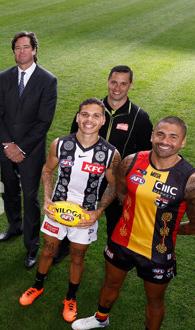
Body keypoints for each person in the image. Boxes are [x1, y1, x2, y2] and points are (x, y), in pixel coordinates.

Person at [72, 116, 195, 330]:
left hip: (158, 253)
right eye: (160, 134)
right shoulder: (131, 161)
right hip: (122, 241)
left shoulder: (192, 181)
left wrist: (165, 229)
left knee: (155, 300)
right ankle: (101, 318)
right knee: (110, 284)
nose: (165, 141)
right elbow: (122, 192)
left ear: (183, 141)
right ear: (151, 136)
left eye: (173, 137)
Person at [18, 98, 120, 322]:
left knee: (77, 258)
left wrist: (98, 212)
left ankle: (70, 297)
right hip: (56, 212)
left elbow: (113, 185)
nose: (89, 120)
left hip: (85, 217)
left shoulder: (111, 154)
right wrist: (46, 198)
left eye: (95, 116)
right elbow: (47, 170)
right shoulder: (60, 144)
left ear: (103, 120)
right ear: (77, 117)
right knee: (47, 251)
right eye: (84, 114)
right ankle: (37, 286)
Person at [55, 65, 153, 263]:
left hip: (116, 183)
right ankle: (64, 245)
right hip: (84, 177)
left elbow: (145, 155)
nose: (117, 87)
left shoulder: (139, 117)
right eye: (114, 82)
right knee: (72, 212)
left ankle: (113, 256)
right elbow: (73, 138)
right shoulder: (91, 110)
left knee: (115, 222)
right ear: (108, 82)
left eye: (123, 83)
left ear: (130, 85)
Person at [0, 31, 58, 270]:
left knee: (30, 198)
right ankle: (14, 226)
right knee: (9, 191)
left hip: (30, 151)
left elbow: (44, 121)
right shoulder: (4, 76)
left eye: (25, 47)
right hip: (6, 148)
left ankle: (31, 247)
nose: (21, 52)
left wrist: (20, 148)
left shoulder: (47, 80)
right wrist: (9, 146)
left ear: (34, 50)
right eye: (17, 48)